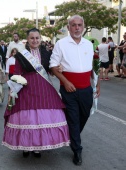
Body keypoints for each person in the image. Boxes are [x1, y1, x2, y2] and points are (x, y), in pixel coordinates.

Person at [2, 28, 70, 158]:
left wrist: (58, 68)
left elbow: (50, 70)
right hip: (27, 89)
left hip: (44, 88)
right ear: (27, 40)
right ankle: (26, 146)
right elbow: (16, 73)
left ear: (40, 39)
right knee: (27, 118)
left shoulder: (46, 53)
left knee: (44, 115)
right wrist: (13, 89)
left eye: (37, 38)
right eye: (32, 38)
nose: (35, 40)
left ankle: (37, 147)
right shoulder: (21, 55)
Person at [49, 15, 100, 165]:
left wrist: (97, 84)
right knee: (73, 119)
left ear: (83, 27)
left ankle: (73, 136)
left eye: (79, 25)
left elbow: (92, 66)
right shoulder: (61, 44)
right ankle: (77, 150)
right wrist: (65, 82)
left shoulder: (88, 44)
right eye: (74, 25)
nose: (77, 28)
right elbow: (53, 65)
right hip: (68, 90)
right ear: (68, 27)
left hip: (86, 89)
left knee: (83, 116)